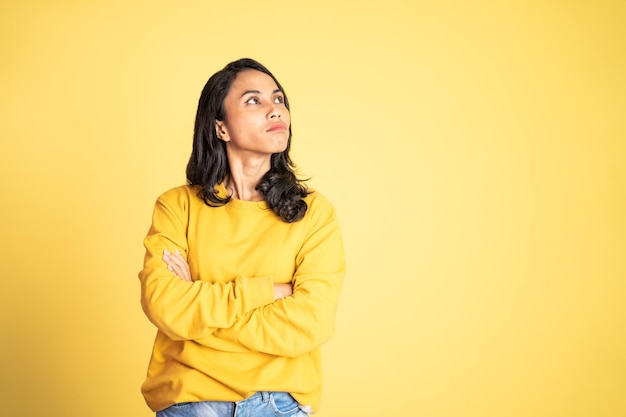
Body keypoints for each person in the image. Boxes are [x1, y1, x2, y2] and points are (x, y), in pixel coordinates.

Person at [138, 58, 346, 417]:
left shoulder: (315, 212)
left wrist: (198, 312)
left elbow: (310, 324)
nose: (274, 109)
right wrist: (268, 292)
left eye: (278, 99)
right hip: (191, 399)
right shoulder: (177, 206)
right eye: (254, 100)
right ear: (221, 128)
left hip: (281, 404)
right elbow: (166, 307)